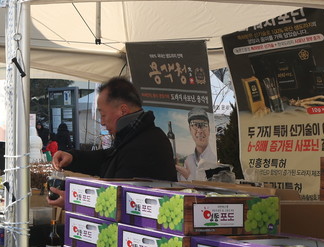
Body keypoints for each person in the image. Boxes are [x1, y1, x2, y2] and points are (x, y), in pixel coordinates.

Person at [49, 77, 176, 206]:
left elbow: (119, 201)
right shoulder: (133, 136)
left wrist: (73, 202)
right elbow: (107, 159)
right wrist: (72, 158)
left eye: (103, 115)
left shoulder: (146, 144)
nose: (102, 122)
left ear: (123, 110)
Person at [176, 107, 218, 180]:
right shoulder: (188, 160)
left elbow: (213, 187)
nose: (199, 130)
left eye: (203, 125)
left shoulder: (215, 161)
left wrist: (188, 176)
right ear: (190, 129)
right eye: (195, 125)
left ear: (209, 129)